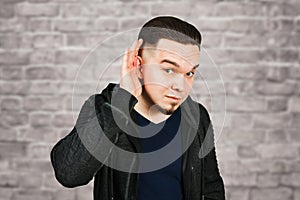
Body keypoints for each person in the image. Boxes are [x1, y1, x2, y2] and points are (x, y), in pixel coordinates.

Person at [50, 16, 225, 200]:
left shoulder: (197, 116)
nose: (180, 87)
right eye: (169, 70)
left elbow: (211, 187)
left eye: (189, 73)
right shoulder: (104, 108)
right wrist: (122, 100)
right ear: (139, 66)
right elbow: (68, 174)